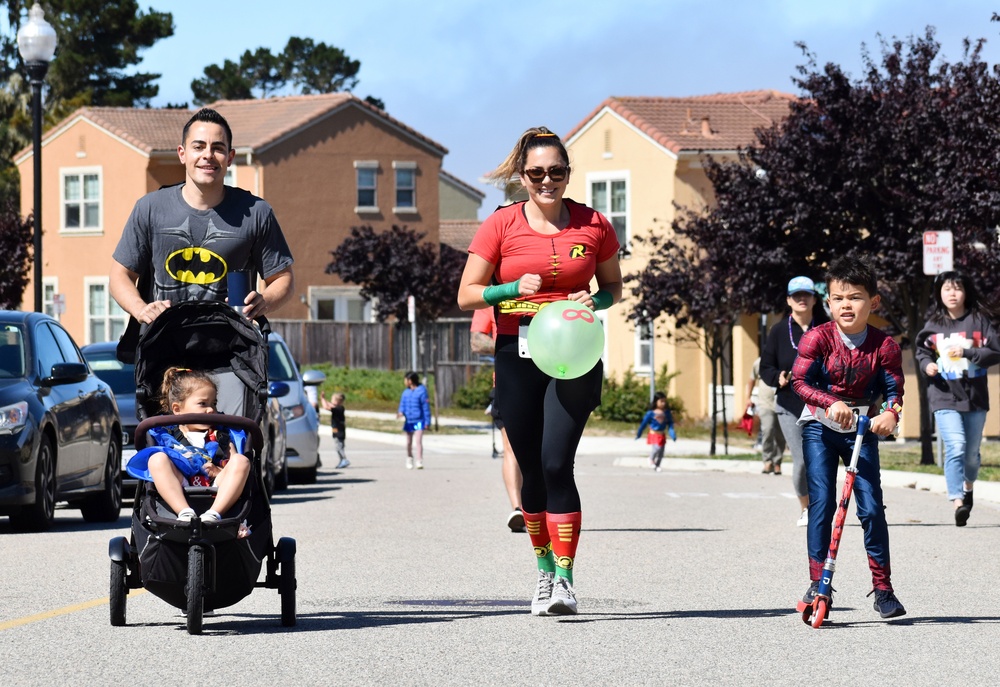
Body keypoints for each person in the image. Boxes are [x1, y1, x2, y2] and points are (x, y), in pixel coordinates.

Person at [457, 126, 623, 616]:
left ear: (568, 175)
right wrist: (510, 289)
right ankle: (544, 571)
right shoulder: (501, 224)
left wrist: (593, 299)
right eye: (536, 173)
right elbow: (467, 293)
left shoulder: (594, 224)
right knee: (531, 470)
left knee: (556, 463)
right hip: (518, 352)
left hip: (575, 354)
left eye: (556, 171)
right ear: (522, 176)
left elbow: (614, 287)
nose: (546, 180)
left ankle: (567, 580)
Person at [791, 256, 906, 619]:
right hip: (820, 425)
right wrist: (830, 402)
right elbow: (799, 382)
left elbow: (893, 391)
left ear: (873, 302)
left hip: (861, 429)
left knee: (872, 507)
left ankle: (883, 588)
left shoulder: (884, 346)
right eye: (838, 298)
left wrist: (891, 412)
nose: (846, 305)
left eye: (855, 297)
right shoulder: (817, 337)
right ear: (829, 302)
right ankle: (818, 583)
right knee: (822, 502)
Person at [110, 108, 294, 329]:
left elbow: (283, 278)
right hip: (163, 349)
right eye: (198, 147)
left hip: (232, 352)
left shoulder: (256, 212)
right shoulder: (150, 208)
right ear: (182, 153)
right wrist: (141, 309)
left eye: (217, 148)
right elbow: (120, 275)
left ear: (230, 157)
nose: (208, 154)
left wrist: (264, 302)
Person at [915, 270, 1000, 527]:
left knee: (972, 455)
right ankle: (958, 502)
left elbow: (996, 352)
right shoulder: (934, 325)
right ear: (939, 293)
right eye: (947, 289)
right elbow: (922, 352)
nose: (952, 293)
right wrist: (926, 365)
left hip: (974, 397)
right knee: (956, 446)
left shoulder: (979, 321)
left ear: (966, 292)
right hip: (943, 395)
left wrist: (967, 351)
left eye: (957, 288)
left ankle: (968, 487)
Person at [125, 367, 251, 526]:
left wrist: (220, 470)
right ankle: (183, 511)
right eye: (202, 404)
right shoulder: (165, 433)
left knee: (241, 461)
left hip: (216, 486)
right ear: (177, 409)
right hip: (180, 483)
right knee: (156, 459)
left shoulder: (221, 435)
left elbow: (232, 463)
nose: (211, 409)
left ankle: (214, 513)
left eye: (214, 403)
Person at [761, 276, 828, 527]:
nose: (802, 299)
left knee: (820, 459)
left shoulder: (826, 327)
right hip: (789, 405)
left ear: (813, 299)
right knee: (801, 459)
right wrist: (776, 377)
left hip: (820, 405)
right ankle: (806, 508)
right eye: (796, 295)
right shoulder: (779, 330)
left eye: (807, 295)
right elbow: (765, 367)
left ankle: (821, 507)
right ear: (789, 300)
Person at [471, 307, 525, 532]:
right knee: (511, 448)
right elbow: (476, 342)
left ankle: (546, 508)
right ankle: (518, 510)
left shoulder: (548, 294)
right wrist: (517, 349)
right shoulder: (491, 298)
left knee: (545, 447)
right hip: (507, 383)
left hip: (549, 381)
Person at [746, 357, 785, 475]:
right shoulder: (759, 362)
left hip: (782, 404)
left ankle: (777, 462)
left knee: (780, 435)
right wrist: (748, 398)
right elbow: (751, 380)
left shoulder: (784, 360)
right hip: (765, 404)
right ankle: (767, 461)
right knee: (767, 431)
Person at [635, 391, 676, 471]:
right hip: (654, 433)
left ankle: (657, 465)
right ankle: (651, 459)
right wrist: (639, 434)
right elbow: (644, 424)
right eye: (661, 401)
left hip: (662, 434)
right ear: (656, 401)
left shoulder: (666, 413)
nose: (663, 403)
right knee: (657, 448)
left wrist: (672, 433)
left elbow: (670, 423)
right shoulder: (651, 413)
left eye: (664, 401)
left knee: (661, 451)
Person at [397, 372, 431, 469]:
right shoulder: (405, 392)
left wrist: (427, 422)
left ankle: (419, 460)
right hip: (409, 421)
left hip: (419, 421)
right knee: (408, 442)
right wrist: (400, 412)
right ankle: (409, 457)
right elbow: (402, 405)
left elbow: (426, 407)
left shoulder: (421, 391)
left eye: (406, 379)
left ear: (411, 380)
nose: (405, 382)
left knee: (418, 441)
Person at [320, 390, 350, 469]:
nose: (331, 401)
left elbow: (326, 407)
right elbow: (329, 405)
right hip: (336, 430)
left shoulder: (339, 409)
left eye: (332, 400)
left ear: (337, 401)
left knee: (339, 447)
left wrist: (322, 398)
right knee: (338, 446)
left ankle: (344, 459)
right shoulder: (338, 408)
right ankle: (342, 460)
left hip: (339, 432)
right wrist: (324, 399)